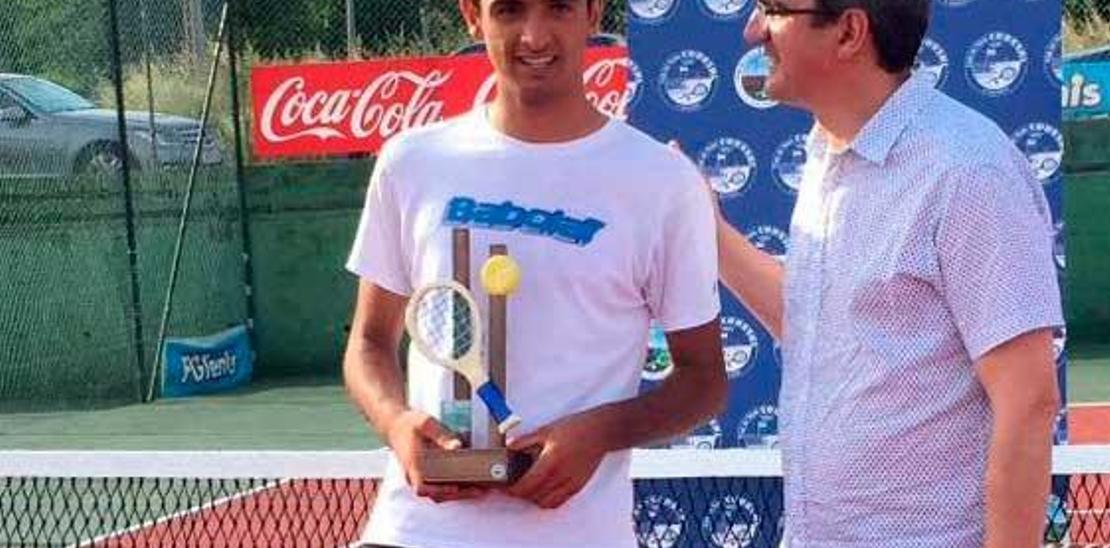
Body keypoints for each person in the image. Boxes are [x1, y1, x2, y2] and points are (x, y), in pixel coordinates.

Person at [341, 0, 727, 546]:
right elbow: (369, 344)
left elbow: (703, 379)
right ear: (473, 16)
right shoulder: (411, 162)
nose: (534, 36)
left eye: (559, 9)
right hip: (413, 532)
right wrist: (396, 423)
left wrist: (599, 433)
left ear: (594, 13)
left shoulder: (662, 182)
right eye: (509, 11)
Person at [711, 0, 1064, 546]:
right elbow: (817, 325)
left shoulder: (966, 171)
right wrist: (707, 232)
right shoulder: (828, 150)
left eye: (774, 9)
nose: (753, 29)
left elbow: (1029, 400)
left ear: (850, 32)